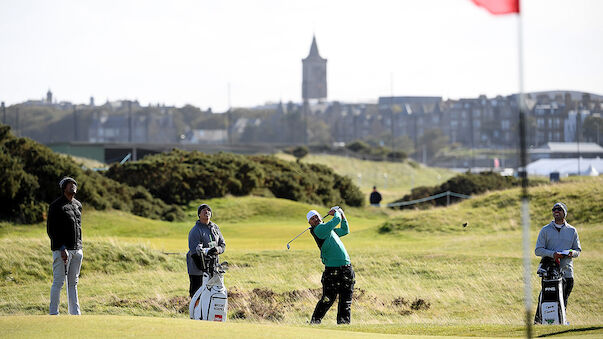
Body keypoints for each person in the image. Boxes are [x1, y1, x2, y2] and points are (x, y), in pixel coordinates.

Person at [534, 202, 581, 324]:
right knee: (546, 297)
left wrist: (571, 253)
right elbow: (538, 250)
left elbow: (578, 250)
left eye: (559, 209)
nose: (556, 211)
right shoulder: (545, 230)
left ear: (564, 213)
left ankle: (560, 322)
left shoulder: (572, 230)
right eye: (554, 209)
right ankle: (539, 322)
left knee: (563, 299)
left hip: (567, 271)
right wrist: (553, 254)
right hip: (550, 272)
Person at [307, 207, 355, 324]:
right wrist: (337, 212)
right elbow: (335, 221)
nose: (316, 219)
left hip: (346, 268)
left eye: (316, 216)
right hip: (333, 270)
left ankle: (343, 325)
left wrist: (342, 215)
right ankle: (315, 322)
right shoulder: (319, 230)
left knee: (345, 300)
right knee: (328, 299)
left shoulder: (328, 230)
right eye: (312, 219)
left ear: (320, 217)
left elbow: (345, 230)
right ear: (310, 223)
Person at [47, 176, 83, 315]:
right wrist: (62, 248)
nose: (73, 186)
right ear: (64, 188)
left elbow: (78, 227)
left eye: (74, 184)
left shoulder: (78, 205)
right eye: (69, 184)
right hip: (62, 250)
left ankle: (75, 314)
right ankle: (53, 313)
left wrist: (79, 248)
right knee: (59, 282)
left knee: (73, 284)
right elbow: (51, 230)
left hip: (77, 249)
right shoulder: (56, 206)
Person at [186, 204, 226, 298]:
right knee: (197, 293)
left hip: (213, 266)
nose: (206, 212)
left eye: (208, 210)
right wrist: (204, 269)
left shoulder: (215, 228)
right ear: (199, 214)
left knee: (212, 292)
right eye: (203, 210)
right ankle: (195, 311)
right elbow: (194, 253)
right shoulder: (195, 230)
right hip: (197, 267)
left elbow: (222, 245)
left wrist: (217, 250)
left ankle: (208, 312)